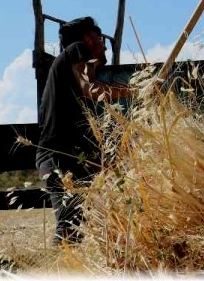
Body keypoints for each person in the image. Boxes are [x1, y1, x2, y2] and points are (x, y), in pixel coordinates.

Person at [35, 16, 134, 245]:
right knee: (69, 223)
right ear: (89, 39)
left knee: (81, 220)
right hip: (59, 155)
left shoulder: (69, 68)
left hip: (67, 153)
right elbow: (91, 89)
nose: (104, 45)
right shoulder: (76, 49)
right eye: (101, 39)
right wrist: (134, 91)